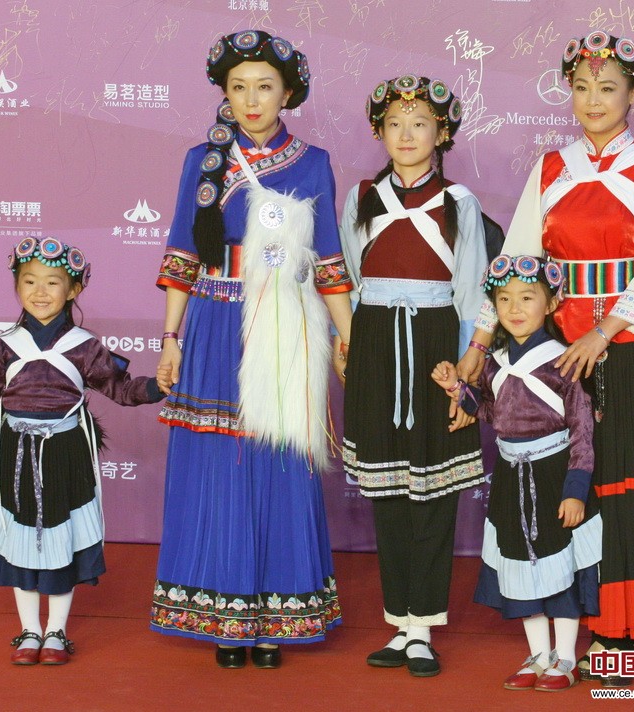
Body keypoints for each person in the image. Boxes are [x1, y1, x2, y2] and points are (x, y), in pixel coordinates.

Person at [462, 32, 634, 686]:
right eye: (582, 88)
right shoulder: (552, 167)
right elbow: (515, 262)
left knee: (624, 484)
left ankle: (623, 633)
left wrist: (607, 331)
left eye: (608, 88)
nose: (593, 101)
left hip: (629, 352)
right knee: (574, 490)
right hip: (557, 358)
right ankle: (575, 624)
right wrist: (481, 342)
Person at [150, 30, 353, 670]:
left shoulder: (313, 162)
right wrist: (170, 339)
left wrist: (348, 336)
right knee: (218, 465)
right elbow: (183, 254)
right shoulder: (201, 161)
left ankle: (276, 616)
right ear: (225, 95)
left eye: (264, 86)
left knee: (278, 460)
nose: (251, 99)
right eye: (238, 88)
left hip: (285, 322)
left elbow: (328, 263)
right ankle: (223, 616)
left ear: (288, 92)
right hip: (214, 322)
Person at [0, 238, 163, 665]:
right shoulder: (2, 346)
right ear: (17, 288)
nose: (40, 292)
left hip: (67, 453)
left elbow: (121, 389)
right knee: (21, 541)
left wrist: (158, 386)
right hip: (14, 452)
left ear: (74, 290)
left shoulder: (86, 346)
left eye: (53, 282)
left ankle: (56, 631)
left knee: (63, 540)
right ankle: (28, 631)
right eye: (30, 281)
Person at [339, 75, 487, 677]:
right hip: (373, 344)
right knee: (389, 492)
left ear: (442, 133)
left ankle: (425, 625)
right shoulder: (361, 198)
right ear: (379, 131)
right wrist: (343, 344)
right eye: (395, 123)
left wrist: (465, 375)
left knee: (432, 491)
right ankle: (399, 624)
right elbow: (343, 280)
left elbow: (474, 288)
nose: (407, 134)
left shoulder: (460, 203)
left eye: (420, 123)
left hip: (434, 351)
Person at [433, 255, 601, 691]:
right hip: (510, 477)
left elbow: (583, 430)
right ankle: (538, 654)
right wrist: (457, 388)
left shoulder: (564, 360)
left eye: (527, 297)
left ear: (549, 304)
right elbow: (490, 412)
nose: (515, 308)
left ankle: (565, 658)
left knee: (559, 567)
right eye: (504, 299)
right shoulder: (497, 361)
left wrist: (576, 491)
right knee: (521, 570)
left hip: (553, 477)